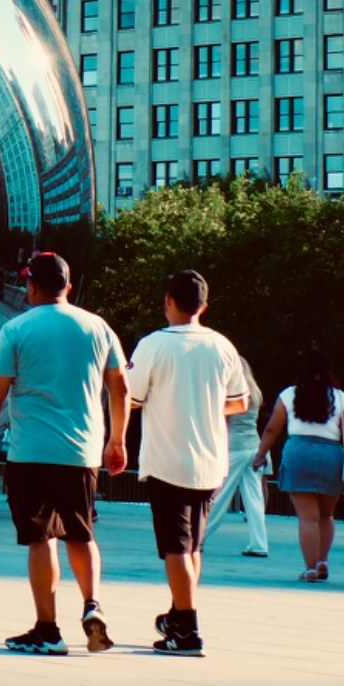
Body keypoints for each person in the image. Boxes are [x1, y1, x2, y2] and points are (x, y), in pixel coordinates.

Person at [0, 250, 128, 657]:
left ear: (31, 286)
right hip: (82, 452)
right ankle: (92, 604)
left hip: (32, 451)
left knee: (41, 538)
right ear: (68, 286)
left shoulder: (16, 329)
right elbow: (120, 388)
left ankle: (47, 629)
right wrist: (117, 440)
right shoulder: (99, 327)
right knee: (81, 533)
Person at [123, 269, 250, 655]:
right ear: (204, 306)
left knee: (175, 547)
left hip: (168, 460)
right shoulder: (223, 346)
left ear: (168, 301)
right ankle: (179, 615)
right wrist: (205, 405)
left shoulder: (153, 345)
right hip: (211, 461)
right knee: (194, 545)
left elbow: (131, 398)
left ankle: (188, 630)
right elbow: (241, 402)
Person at [252, 346, 344, 582]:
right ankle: (322, 561)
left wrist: (260, 454)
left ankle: (309, 568)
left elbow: (273, 428)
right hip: (331, 456)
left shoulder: (289, 395)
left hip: (298, 453)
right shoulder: (341, 399)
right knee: (326, 515)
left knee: (308, 518)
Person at [208, 358, 269, 559]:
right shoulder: (256, 392)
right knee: (254, 497)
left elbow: (222, 421)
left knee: (220, 493)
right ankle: (259, 543)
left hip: (234, 446)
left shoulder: (233, 391)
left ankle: (200, 535)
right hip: (254, 445)